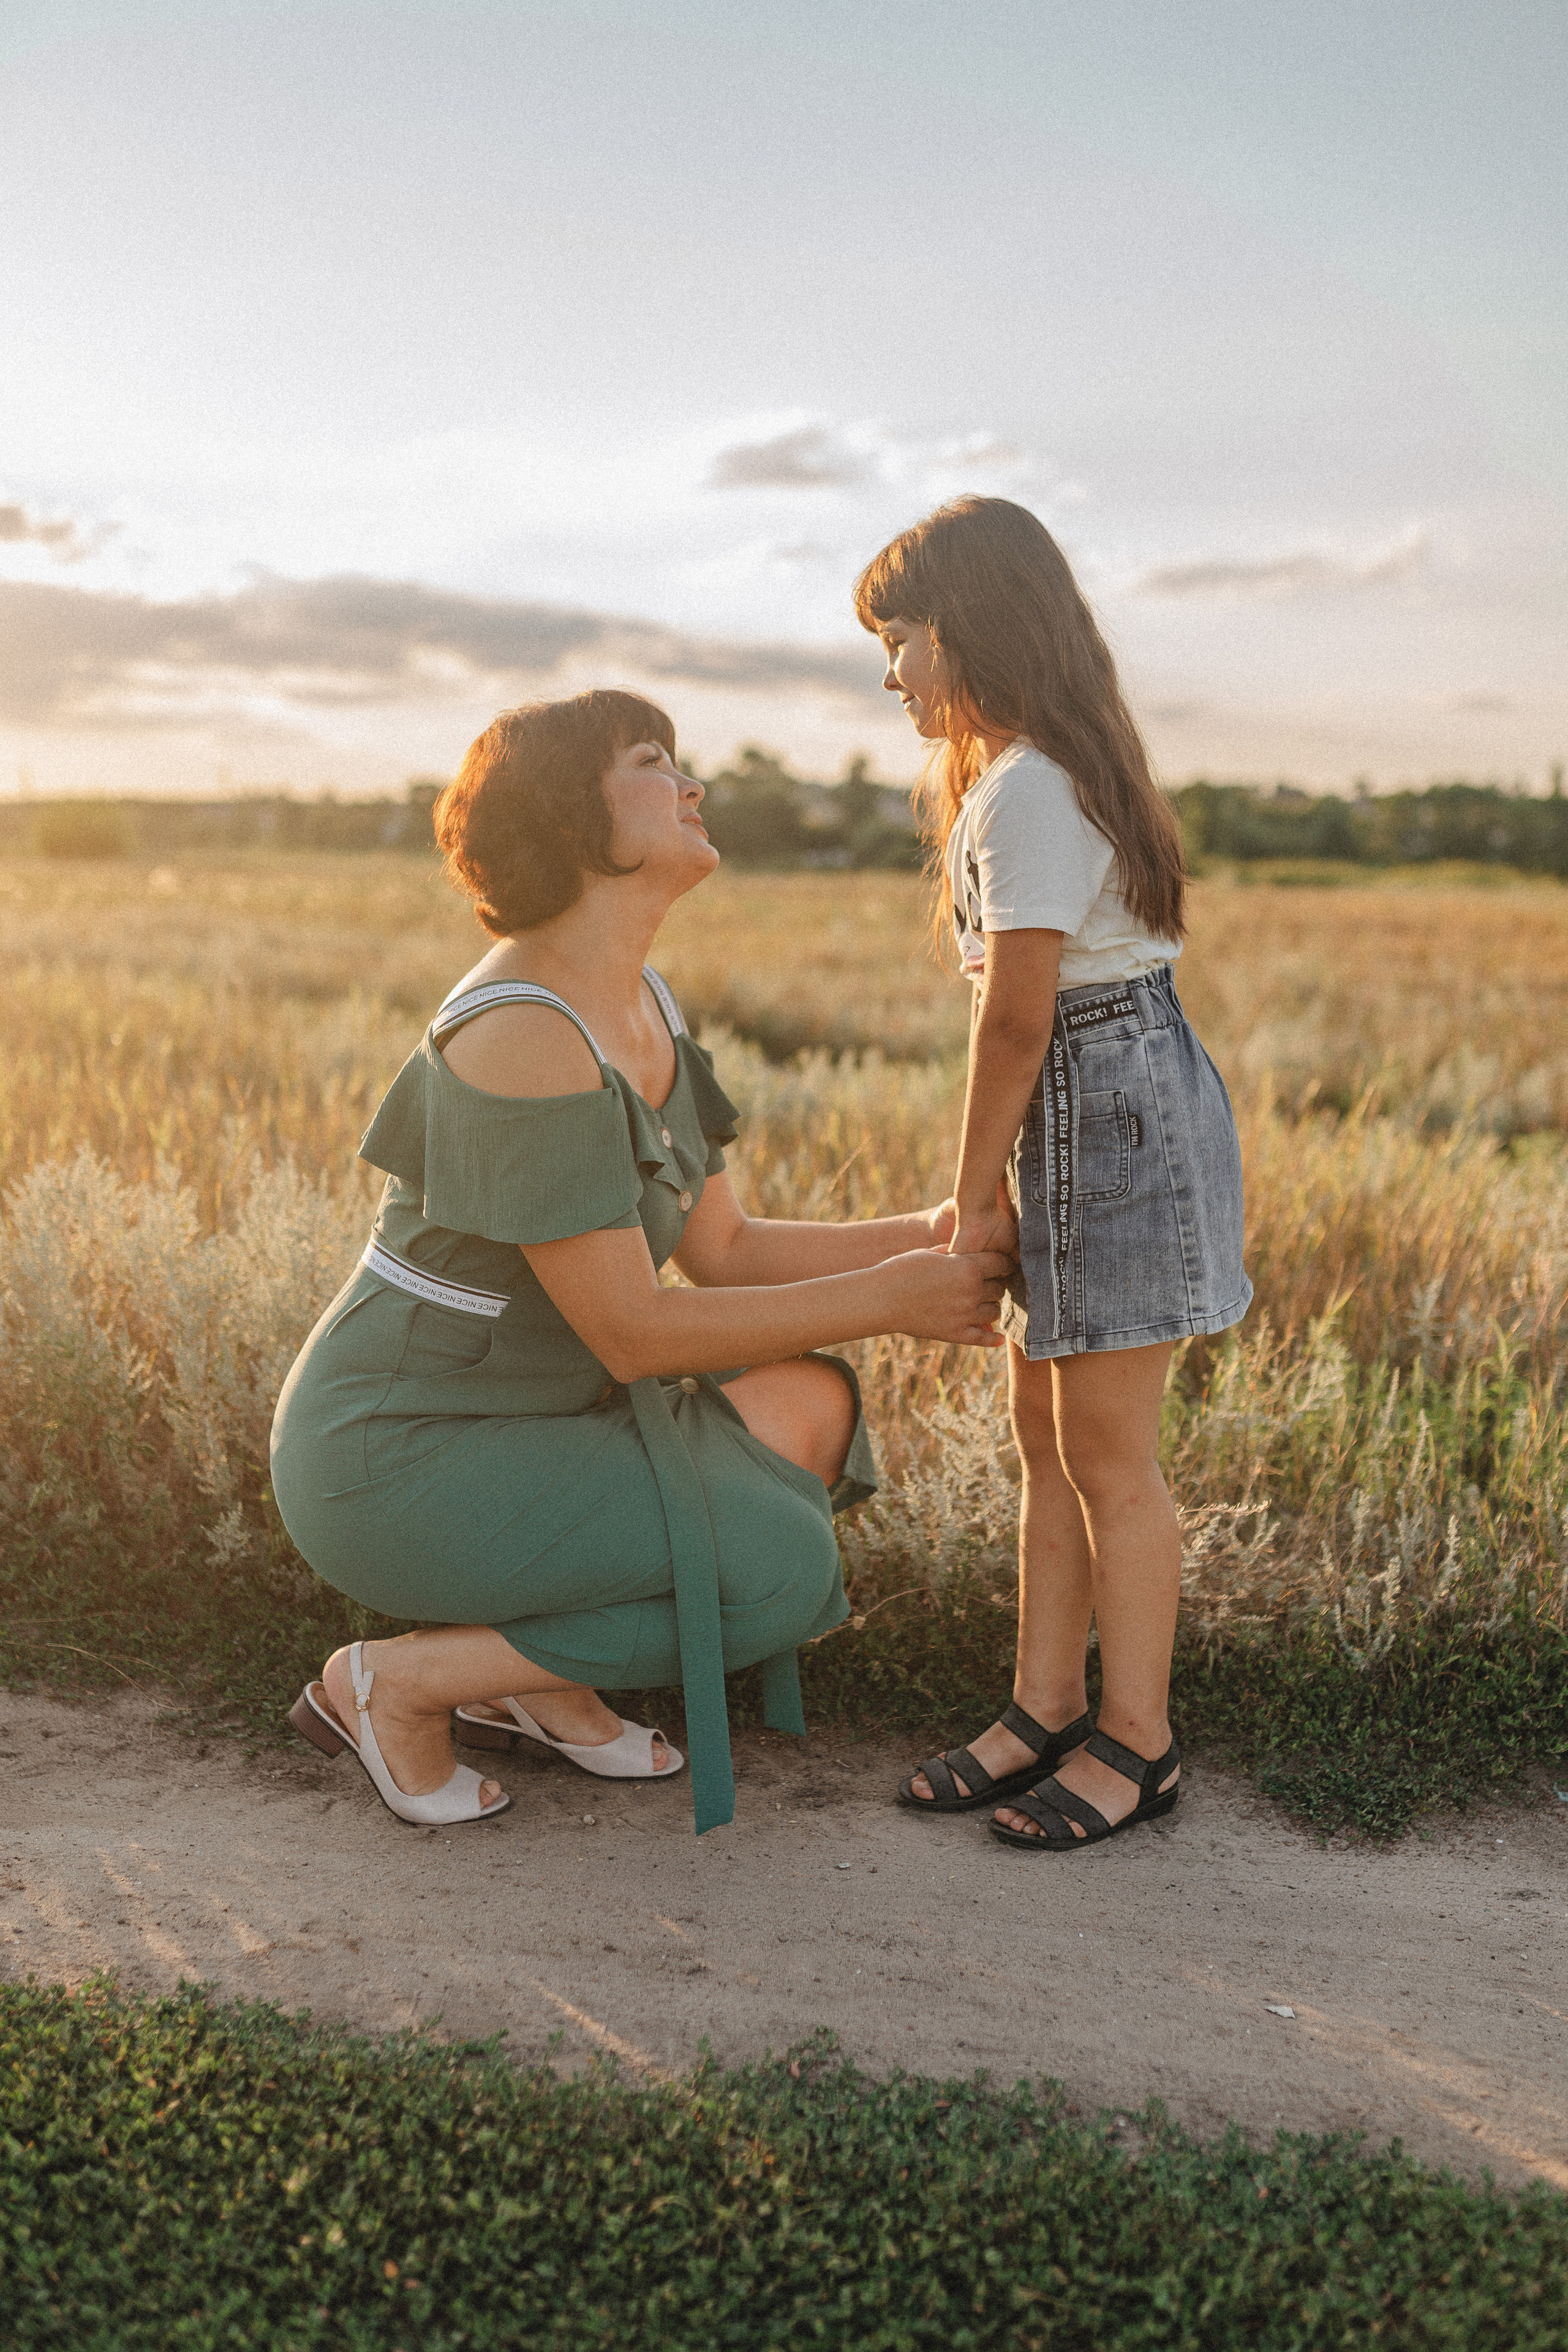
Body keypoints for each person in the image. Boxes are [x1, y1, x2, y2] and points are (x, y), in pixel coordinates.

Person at [270, 690, 1009, 1836]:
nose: (695, 786)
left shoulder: (642, 1002)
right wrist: (890, 1302)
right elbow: (634, 1335)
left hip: (535, 1424)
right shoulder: (521, 1030)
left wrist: (941, 1230)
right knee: (772, 1570)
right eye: (657, 763)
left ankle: (529, 1670)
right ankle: (401, 1681)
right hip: (397, 1456)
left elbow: (727, 1249)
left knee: (808, 1404)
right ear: (572, 816)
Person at [855, 497, 1251, 1852]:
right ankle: (1040, 1707)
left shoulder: (1028, 787)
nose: (890, 670)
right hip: (1089, 1112)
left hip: (1111, 1116)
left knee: (1107, 1457)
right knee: (1046, 1442)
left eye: (901, 637)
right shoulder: (1017, 776)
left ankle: (1136, 1742)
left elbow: (1016, 1017)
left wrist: (967, 1198)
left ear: (974, 626)